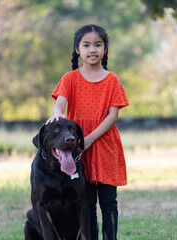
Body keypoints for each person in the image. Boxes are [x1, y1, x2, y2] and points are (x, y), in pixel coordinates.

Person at [46, 24, 129, 240]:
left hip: (104, 146)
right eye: (86, 45)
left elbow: (112, 116)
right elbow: (59, 105)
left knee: (109, 201)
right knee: (86, 202)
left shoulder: (112, 80)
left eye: (98, 45)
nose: (92, 50)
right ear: (77, 49)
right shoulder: (70, 78)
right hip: (77, 148)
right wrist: (57, 114)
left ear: (105, 49)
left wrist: (90, 138)